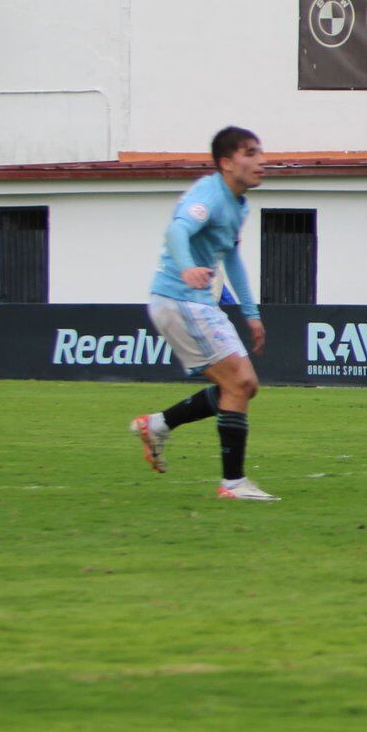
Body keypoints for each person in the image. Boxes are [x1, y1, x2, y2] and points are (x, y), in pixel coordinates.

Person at [130, 126, 276, 501]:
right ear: (227, 163)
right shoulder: (208, 195)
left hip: (194, 302)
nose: (261, 160)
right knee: (239, 384)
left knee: (246, 386)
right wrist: (185, 268)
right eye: (250, 153)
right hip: (180, 299)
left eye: (260, 152)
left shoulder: (238, 203)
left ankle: (160, 424)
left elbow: (231, 257)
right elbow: (178, 231)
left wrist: (252, 313)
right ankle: (232, 484)